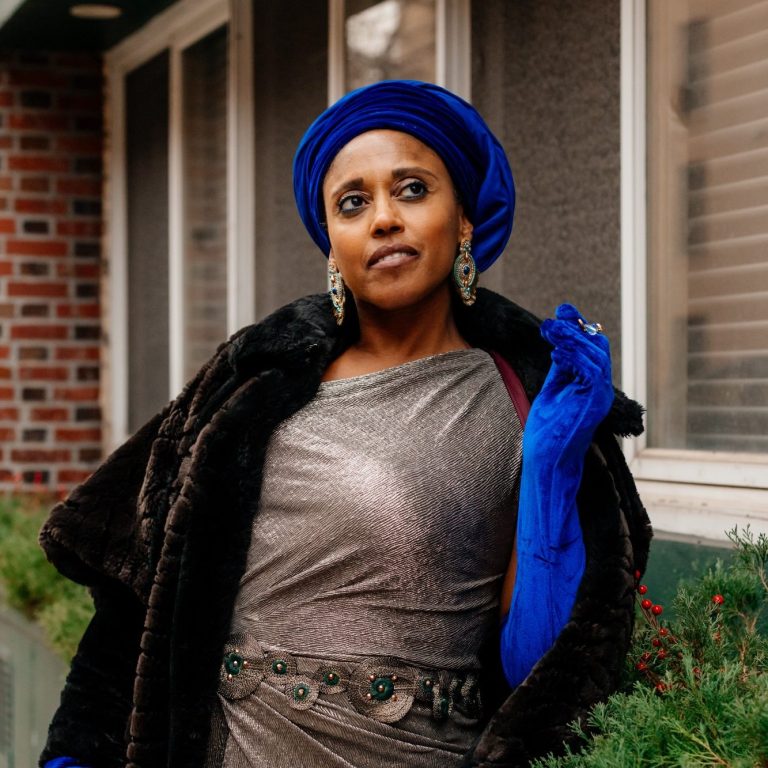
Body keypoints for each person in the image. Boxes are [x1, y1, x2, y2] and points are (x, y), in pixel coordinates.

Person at [39, 80, 650, 768]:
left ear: (464, 220)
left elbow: (540, 674)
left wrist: (551, 464)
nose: (383, 219)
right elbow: (140, 594)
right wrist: (75, 754)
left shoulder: (522, 401)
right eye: (353, 203)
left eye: (412, 190)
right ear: (332, 243)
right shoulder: (252, 384)